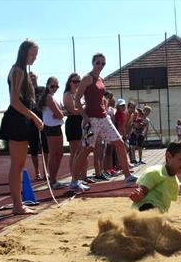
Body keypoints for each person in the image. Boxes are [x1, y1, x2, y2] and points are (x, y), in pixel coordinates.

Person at [69, 53, 137, 192]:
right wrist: (85, 117)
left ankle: (127, 175)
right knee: (86, 149)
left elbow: (100, 98)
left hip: (103, 117)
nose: (100, 65)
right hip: (92, 119)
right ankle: (74, 181)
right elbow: (77, 100)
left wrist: (105, 110)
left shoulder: (101, 79)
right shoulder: (87, 78)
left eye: (103, 63)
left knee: (119, 142)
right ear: (93, 63)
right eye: (98, 62)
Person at [0, 40, 43, 215]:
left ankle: (19, 204)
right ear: (23, 52)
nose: (34, 58)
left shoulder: (24, 71)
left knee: (20, 164)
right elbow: (15, 102)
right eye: (32, 54)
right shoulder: (17, 70)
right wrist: (34, 117)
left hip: (22, 120)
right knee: (17, 165)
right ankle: (17, 206)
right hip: (16, 119)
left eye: (36, 55)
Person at [129, 141, 181, 213]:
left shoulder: (176, 183)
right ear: (169, 156)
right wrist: (138, 193)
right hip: (144, 208)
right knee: (149, 209)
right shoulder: (156, 172)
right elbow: (143, 189)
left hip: (158, 213)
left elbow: (166, 204)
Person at [38, 77, 66, 190]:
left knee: (59, 154)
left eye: (57, 86)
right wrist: (62, 113)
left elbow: (62, 112)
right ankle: (53, 180)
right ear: (47, 85)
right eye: (52, 86)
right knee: (55, 154)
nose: (54, 88)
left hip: (56, 126)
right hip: (51, 127)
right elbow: (60, 114)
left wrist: (62, 112)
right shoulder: (48, 98)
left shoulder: (54, 97)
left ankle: (54, 179)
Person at [63, 73, 87, 181]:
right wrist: (85, 108)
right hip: (73, 124)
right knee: (75, 151)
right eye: (75, 81)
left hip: (81, 123)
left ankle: (83, 176)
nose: (77, 83)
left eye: (79, 81)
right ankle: (74, 177)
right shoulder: (67, 94)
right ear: (69, 82)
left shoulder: (80, 95)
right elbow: (73, 111)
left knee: (83, 150)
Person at [28, 72, 49, 181]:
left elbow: (48, 102)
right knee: (34, 147)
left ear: (37, 77)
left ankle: (46, 171)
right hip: (31, 122)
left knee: (46, 146)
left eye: (34, 76)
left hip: (43, 121)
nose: (32, 78)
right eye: (30, 76)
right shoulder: (26, 92)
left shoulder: (42, 90)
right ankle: (37, 172)